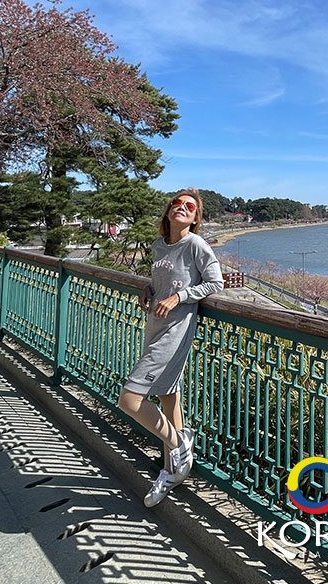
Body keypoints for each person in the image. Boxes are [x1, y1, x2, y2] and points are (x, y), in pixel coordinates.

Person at [117, 189, 223, 507]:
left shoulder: (196, 244)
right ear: (168, 212)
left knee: (130, 400)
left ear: (194, 218)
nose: (181, 207)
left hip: (175, 332)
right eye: (176, 203)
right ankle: (172, 471)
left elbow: (215, 282)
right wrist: (149, 288)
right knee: (168, 397)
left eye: (189, 206)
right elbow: (163, 280)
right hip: (154, 327)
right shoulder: (158, 246)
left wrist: (180, 297)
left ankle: (179, 443)